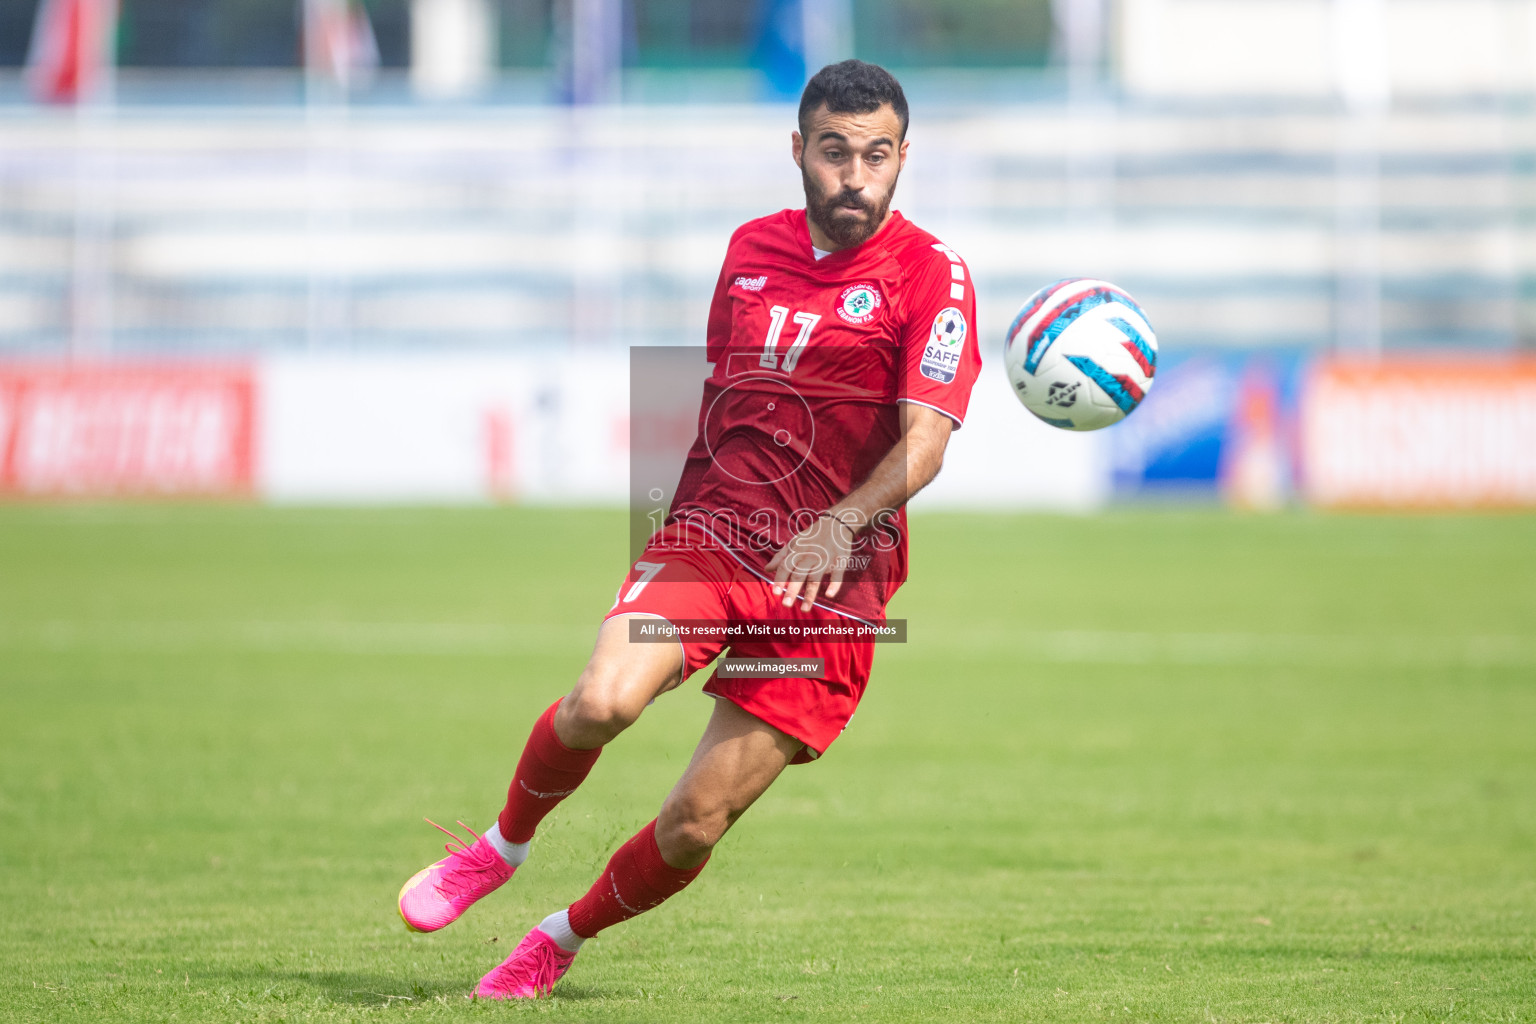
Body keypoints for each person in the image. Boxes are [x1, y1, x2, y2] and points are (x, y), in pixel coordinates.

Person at [396, 59, 982, 1000]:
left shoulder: (935, 277)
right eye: (835, 153)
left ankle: (560, 937)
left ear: (904, 158)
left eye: (878, 156)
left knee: (693, 824)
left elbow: (927, 445)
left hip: (834, 590)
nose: (855, 177)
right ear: (799, 151)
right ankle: (500, 848)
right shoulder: (750, 248)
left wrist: (839, 523)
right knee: (601, 702)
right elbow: (723, 399)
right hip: (716, 540)